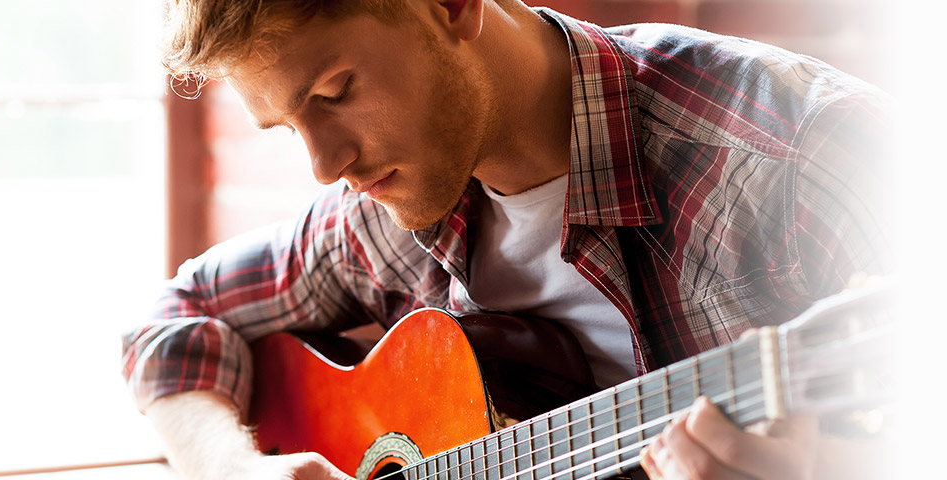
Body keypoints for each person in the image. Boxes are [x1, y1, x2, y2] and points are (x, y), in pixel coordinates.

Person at [120, 0, 893, 479]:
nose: (326, 165)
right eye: (288, 124)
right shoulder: (377, 216)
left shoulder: (812, 158)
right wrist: (230, 465)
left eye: (334, 94)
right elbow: (174, 316)